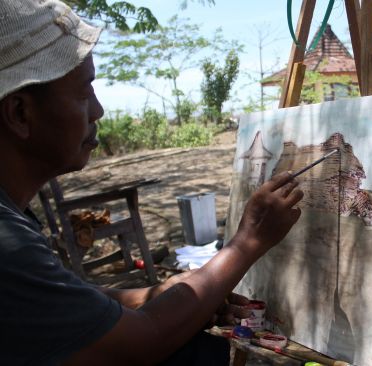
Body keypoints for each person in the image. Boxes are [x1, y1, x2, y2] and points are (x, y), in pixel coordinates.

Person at [0, 1, 304, 364]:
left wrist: (161, 292)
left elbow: (67, 304)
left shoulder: (14, 221)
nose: (97, 110)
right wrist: (249, 240)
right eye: (84, 93)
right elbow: (142, 343)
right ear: (20, 113)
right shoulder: (7, 245)